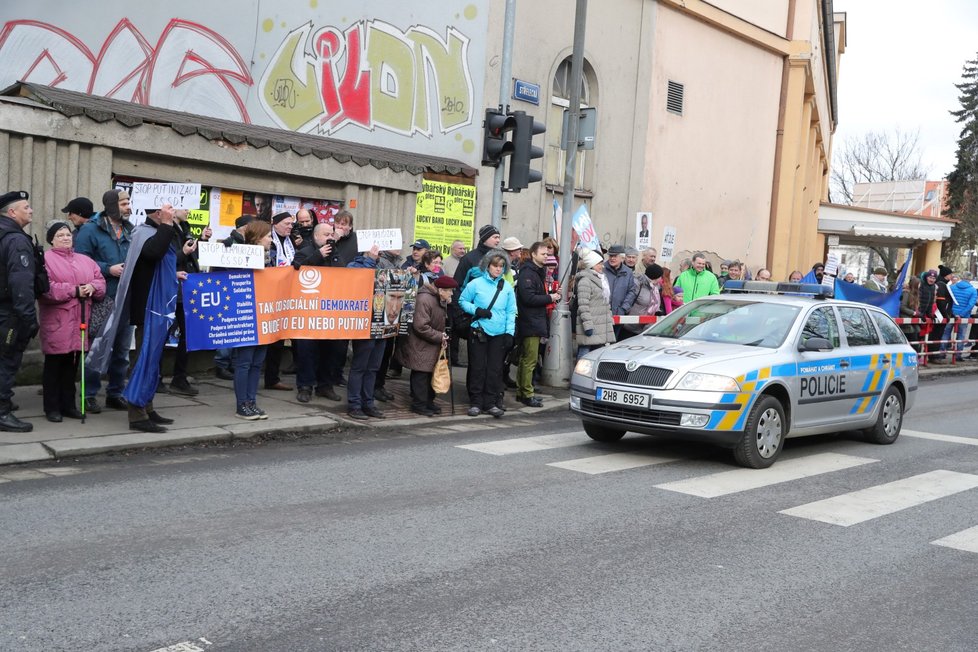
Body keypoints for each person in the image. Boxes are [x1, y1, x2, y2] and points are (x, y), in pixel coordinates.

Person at [88, 203, 178, 433]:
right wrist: (167, 225)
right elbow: (153, 253)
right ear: (158, 213)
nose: (174, 213)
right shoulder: (143, 233)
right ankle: (137, 415)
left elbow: (156, 264)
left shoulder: (157, 232)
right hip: (148, 306)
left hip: (158, 304)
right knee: (144, 359)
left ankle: (147, 407)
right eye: (169, 210)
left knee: (153, 360)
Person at [74, 189, 135, 414]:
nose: (128, 207)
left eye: (129, 202)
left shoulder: (131, 230)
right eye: (124, 203)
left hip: (126, 298)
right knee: (96, 348)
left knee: (121, 351)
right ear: (111, 205)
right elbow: (79, 261)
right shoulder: (90, 229)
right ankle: (88, 394)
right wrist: (108, 269)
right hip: (101, 298)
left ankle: (115, 393)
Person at [38, 222, 106, 422]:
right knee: (54, 365)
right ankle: (52, 408)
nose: (66, 238)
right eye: (60, 235)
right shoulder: (45, 260)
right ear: (52, 239)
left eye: (68, 234)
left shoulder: (84, 259)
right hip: (58, 321)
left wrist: (92, 287)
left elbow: (100, 281)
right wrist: (74, 290)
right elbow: (45, 289)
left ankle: (69, 405)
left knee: (72, 365)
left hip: (80, 320)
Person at [459, 248, 516, 418]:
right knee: (477, 367)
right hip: (479, 330)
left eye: (502, 266)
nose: (498, 269)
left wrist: (509, 333)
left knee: (495, 369)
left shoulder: (506, 287)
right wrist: (477, 310)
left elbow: (511, 311)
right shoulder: (475, 284)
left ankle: (490, 403)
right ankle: (476, 402)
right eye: (495, 266)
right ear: (487, 266)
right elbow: (462, 301)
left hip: (499, 333)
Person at [0, 191, 40, 432]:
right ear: (12, 212)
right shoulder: (15, 240)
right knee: (7, 358)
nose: (31, 210)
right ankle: (2, 412)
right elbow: (21, 282)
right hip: (10, 312)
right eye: (26, 207)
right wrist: (28, 317)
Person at [292, 222, 342, 403]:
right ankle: (305, 386)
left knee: (330, 350)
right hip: (308, 311)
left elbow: (344, 275)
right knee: (307, 351)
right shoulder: (305, 251)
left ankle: (325, 386)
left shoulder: (335, 253)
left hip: (329, 311)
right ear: (316, 236)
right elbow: (296, 269)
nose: (330, 237)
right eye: (326, 234)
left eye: (332, 234)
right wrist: (318, 256)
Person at [232, 221, 274, 419]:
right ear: (257, 238)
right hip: (246, 316)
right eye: (268, 236)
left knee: (257, 362)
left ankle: (251, 401)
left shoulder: (269, 258)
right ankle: (242, 404)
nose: (271, 240)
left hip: (263, 315)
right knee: (244, 362)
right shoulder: (239, 256)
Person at [399, 275, 457, 416]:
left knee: (431, 373)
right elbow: (420, 326)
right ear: (441, 290)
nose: (452, 294)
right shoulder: (424, 299)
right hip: (420, 344)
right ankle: (419, 404)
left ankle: (428, 401)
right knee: (421, 374)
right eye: (450, 291)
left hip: (432, 344)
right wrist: (439, 336)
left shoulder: (440, 299)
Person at [515, 242, 560, 407]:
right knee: (529, 359)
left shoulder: (536, 272)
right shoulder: (528, 273)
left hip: (534, 320)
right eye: (543, 254)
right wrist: (550, 298)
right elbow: (529, 298)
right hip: (530, 322)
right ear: (533, 254)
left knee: (527, 359)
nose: (546, 257)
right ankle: (526, 393)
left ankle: (523, 391)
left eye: (547, 254)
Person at [346, 244, 388, 420]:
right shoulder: (354, 266)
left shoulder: (383, 267)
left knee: (373, 368)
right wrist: (369, 261)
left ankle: (368, 402)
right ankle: (354, 404)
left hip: (381, 323)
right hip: (364, 324)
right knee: (360, 366)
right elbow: (359, 281)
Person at [264, 211, 296, 391]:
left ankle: (272, 378)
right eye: (287, 223)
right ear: (275, 224)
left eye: (292, 224)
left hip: (285, 296)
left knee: (278, 338)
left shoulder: (290, 242)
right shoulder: (269, 240)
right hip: (268, 295)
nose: (290, 227)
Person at [575, 249, 615, 358]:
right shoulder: (585, 281)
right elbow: (583, 306)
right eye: (599, 264)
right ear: (591, 265)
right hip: (591, 324)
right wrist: (588, 326)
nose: (602, 266)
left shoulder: (601, 280)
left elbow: (605, 303)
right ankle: (579, 374)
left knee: (597, 355)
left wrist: (610, 320)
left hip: (600, 324)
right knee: (585, 353)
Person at [603, 244, 638, 339]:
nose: (612, 258)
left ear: (622, 257)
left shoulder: (628, 272)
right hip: (602, 314)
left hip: (619, 314)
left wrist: (623, 308)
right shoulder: (602, 269)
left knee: (613, 342)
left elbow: (631, 292)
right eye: (610, 256)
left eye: (615, 256)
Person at [942, 272, 977, 361]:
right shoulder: (973, 290)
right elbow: (971, 305)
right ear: (970, 279)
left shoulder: (952, 287)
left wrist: (953, 313)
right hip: (964, 316)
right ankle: (958, 355)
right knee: (961, 335)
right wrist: (961, 314)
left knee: (946, 333)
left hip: (951, 315)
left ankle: (941, 353)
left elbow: (948, 302)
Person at [625, 263, 662, 335]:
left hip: (645, 327)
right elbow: (628, 300)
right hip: (630, 325)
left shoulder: (656, 288)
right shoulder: (639, 284)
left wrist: (658, 311)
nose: (661, 279)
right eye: (660, 276)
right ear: (656, 277)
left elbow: (655, 303)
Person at [900, 276, 922, 351]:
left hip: (912, 321)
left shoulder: (915, 295)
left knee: (917, 334)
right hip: (906, 321)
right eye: (919, 284)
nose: (920, 286)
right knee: (912, 341)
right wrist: (914, 313)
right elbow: (902, 307)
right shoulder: (906, 293)